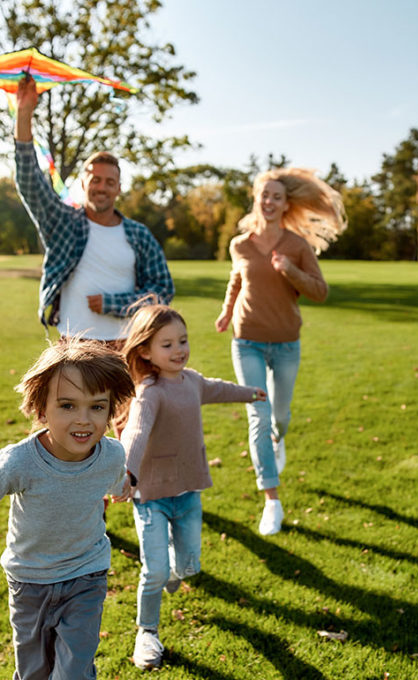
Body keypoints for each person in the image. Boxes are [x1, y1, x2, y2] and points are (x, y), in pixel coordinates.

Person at [119, 304, 266, 669]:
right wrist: (128, 474)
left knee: (188, 567)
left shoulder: (192, 381)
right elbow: (135, 433)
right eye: (167, 344)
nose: (179, 350)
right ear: (145, 351)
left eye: (182, 340)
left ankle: (172, 565)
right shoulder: (149, 392)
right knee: (153, 572)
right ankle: (147, 633)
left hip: (188, 491)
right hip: (151, 495)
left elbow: (217, 389)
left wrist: (250, 392)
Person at [215, 167, 346, 536]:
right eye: (264, 195)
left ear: (286, 204)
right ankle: (272, 499)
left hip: (286, 344)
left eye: (277, 196)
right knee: (258, 415)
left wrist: (290, 271)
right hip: (247, 342)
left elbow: (320, 291)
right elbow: (236, 279)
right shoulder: (239, 244)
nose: (269, 201)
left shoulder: (296, 246)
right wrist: (226, 312)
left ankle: (279, 436)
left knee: (279, 417)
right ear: (256, 199)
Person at [0, 338, 135, 678]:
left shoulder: (112, 455)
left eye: (97, 407)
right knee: (34, 671)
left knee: (74, 669)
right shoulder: (19, 463)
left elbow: (118, 481)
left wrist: (125, 489)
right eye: (68, 406)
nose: (84, 420)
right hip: (29, 582)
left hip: (85, 575)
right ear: (41, 409)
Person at [14, 76, 174, 343]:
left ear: (119, 188)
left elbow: (163, 289)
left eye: (109, 182)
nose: (102, 187)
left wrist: (116, 304)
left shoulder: (138, 234)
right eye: (95, 180)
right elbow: (29, 180)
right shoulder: (63, 223)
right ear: (83, 184)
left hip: (126, 347)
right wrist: (24, 113)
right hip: (73, 345)